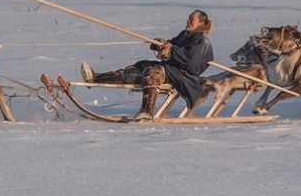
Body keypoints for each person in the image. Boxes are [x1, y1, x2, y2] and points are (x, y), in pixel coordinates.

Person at [80, 10, 216, 118]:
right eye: (188, 19)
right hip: (170, 70)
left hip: (182, 76)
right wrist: (160, 45)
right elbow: (172, 45)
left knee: (152, 73)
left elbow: (191, 63)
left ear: (201, 23)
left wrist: (171, 51)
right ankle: (95, 78)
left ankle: (146, 113)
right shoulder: (185, 34)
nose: (187, 21)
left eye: (191, 20)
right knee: (136, 71)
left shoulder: (202, 41)